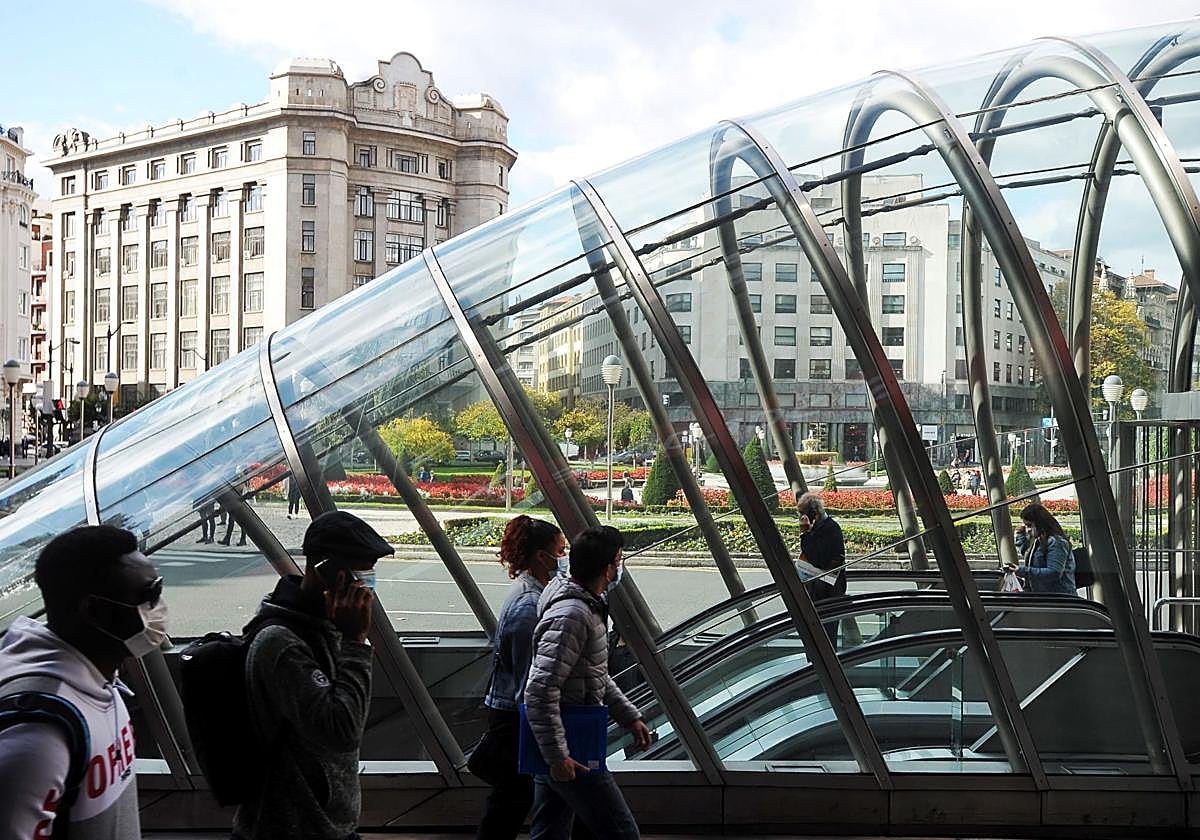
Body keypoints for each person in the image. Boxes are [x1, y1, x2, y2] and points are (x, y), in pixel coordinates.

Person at [0, 525, 167, 839]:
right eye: (148, 595)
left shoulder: (101, 680)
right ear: (94, 610)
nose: (158, 608)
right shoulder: (38, 734)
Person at [233, 510, 392, 840]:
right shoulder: (281, 643)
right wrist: (355, 642)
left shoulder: (324, 625)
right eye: (361, 572)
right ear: (326, 569)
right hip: (292, 828)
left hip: (327, 825)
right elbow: (342, 731)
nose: (367, 583)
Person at [525, 525, 651, 840]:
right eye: (619, 561)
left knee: (550, 831)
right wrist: (557, 756)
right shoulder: (573, 615)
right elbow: (540, 690)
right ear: (608, 568)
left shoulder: (584, 605)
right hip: (571, 744)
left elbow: (592, 671)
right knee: (621, 833)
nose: (620, 568)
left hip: (565, 740)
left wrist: (628, 715)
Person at [474, 516, 567, 840]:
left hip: (511, 712)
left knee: (515, 797)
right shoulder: (530, 607)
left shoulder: (532, 593)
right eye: (560, 550)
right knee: (513, 799)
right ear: (542, 557)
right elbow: (530, 683)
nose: (564, 557)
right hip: (516, 718)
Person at [1009, 502, 1076, 594]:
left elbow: (1054, 572)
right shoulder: (1039, 540)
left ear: (1039, 523)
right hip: (1045, 595)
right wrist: (1020, 537)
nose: (1027, 530)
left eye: (1029, 525)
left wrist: (1022, 571)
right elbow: (1030, 556)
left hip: (1058, 600)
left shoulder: (1056, 542)